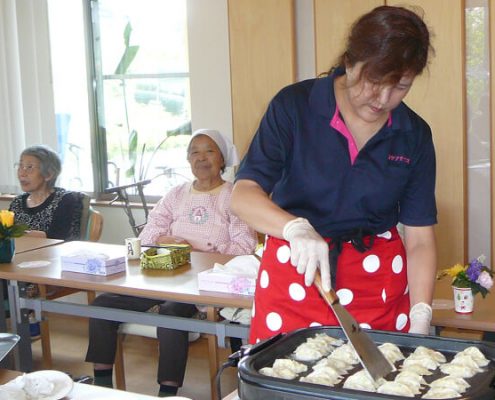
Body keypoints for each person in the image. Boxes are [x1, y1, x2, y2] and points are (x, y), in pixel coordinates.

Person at [231, 5, 437, 344]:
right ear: (351, 61)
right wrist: (294, 227)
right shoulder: (294, 106)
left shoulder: (413, 134)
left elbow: (420, 239)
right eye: (375, 81)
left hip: (378, 286)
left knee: (376, 389)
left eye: (401, 86)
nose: (384, 99)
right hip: (297, 273)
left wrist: (421, 314)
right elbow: (244, 193)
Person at [85, 129, 257, 397]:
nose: (201, 158)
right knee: (103, 305)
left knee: (171, 313)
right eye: (194, 152)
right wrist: (166, 239)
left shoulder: (234, 195)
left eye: (209, 151)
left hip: (204, 284)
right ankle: (102, 383)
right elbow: (149, 233)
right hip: (162, 276)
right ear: (188, 160)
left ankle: (167, 392)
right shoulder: (176, 194)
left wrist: (196, 249)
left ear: (222, 159)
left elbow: (244, 248)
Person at [9, 144, 84, 241]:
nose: (22, 174)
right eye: (20, 166)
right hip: (20, 255)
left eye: (30, 167)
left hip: (54, 255)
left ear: (49, 174)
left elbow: (58, 237)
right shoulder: (17, 202)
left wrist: (15, 233)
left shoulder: (65, 200)